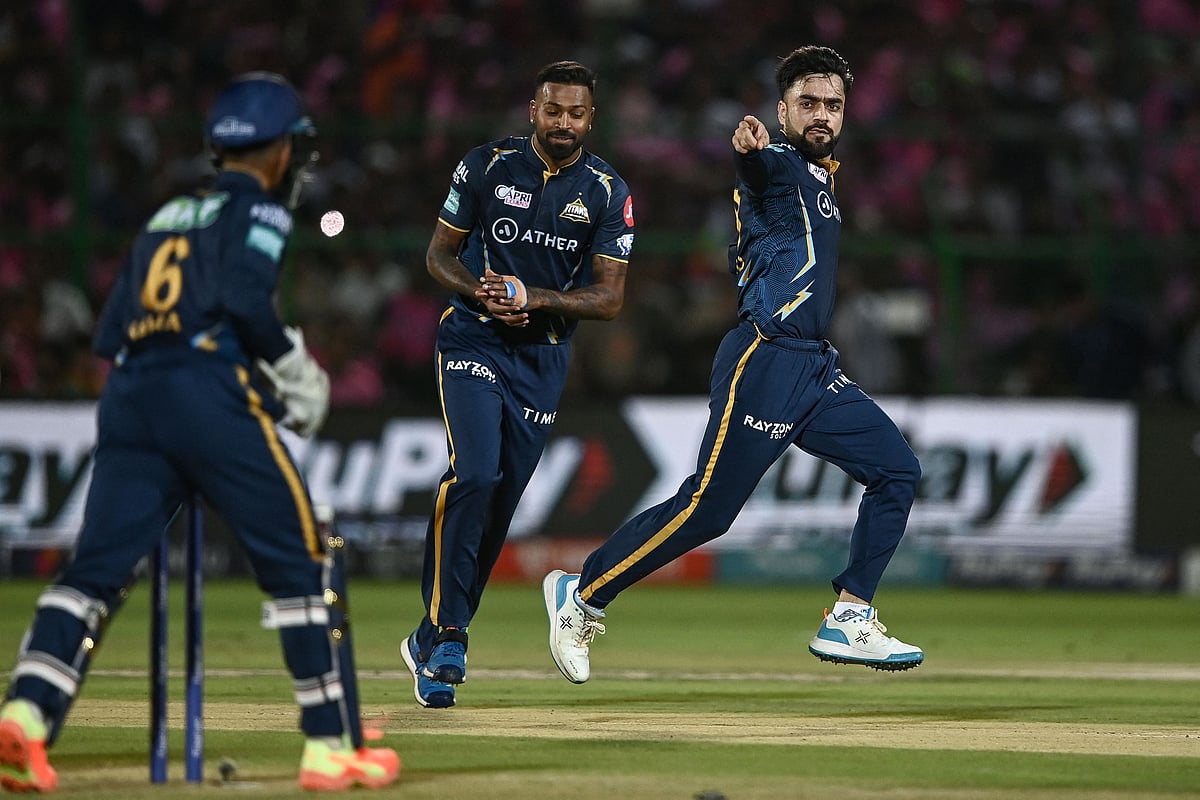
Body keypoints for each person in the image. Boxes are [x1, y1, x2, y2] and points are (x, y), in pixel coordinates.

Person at [0, 72, 400, 792]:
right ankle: (327, 746)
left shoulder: (165, 215)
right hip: (206, 394)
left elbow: (111, 331)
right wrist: (290, 367)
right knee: (302, 557)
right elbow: (245, 299)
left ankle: (27, 715)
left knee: (95, 569)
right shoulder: (262, 215)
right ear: (280, 153)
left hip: (130, 395)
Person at [543, 45, 924, 684]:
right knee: (709, 509)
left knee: (897, 471)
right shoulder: (779, 164)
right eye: (809, 104)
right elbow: (755, 167)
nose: (823, 114)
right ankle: (581, 595)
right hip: (765, 357)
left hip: (812, 368)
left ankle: (851, 613)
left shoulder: (822, 175)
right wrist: (748, 150)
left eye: (833, 104)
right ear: (782, 110)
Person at [400, 60, 636, 709]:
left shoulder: (608, 190)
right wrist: (479, 288)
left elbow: (610, 299)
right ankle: (450, 636)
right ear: (533, 110)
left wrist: (538, 297)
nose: (564, 123)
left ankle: (426, 636)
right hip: (473, 340)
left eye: (576, 113)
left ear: (592, 118)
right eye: (553, 110)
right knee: (471, 476)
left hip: (543, 360)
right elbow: (438, 255)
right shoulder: (486, 166)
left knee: (499, 506)